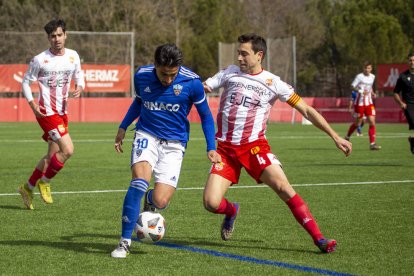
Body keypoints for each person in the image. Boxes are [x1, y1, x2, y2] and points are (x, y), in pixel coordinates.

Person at [202, 33, 352, 253]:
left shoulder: (274, 83)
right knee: (211, 203)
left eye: (244, 53)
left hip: (254, 147)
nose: (240, 58)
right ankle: (232, 210)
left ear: (259, 55)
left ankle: (319, 238)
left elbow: (307, 110)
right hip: (224, 150)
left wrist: (335, 136)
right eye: (238, 53)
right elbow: (201, 88)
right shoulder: (229, 73)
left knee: (283, 187)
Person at [111, 43, 221, 258]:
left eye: (173, 75)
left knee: (161, 201)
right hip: (147, 135)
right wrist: (123, 126)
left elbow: (206, 116)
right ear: (155, 66)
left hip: (175, 144)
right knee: (139, 181)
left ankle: (150, 200)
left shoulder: (192, 82)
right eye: (164, 74)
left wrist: (211, 147)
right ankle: (124, 242)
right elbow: (139, 102)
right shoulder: (141, 76)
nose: (168, 80)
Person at [18, 19, 84, 210]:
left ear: (65, 35)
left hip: (63, 112)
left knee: (51, 156)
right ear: (48, 38)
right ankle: (45, 182)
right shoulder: (40, 59)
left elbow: (79, 74)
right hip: (46, 112)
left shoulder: (73, 56)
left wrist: (80, 86)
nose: (56, 39)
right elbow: (25, 82)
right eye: (52, 36)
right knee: (68, 150)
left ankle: (27, 187)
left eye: (59, 35)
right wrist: (32, 105)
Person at [345, 61, 381, 150]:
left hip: (369, 102)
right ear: (363, 68)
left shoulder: (373, 76)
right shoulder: (359, 77)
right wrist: (361, 91)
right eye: (365, 68)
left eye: (369, 68)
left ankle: (372, 144)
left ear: (371, 69)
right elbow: (352, 86)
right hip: (359, 103)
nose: (367, 70)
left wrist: (372, 93)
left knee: (372, 121)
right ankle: (347, 136)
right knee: (358, 123)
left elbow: (370, 87)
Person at [393, 52, 414, 154]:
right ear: (407, 62)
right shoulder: (403, 77)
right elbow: (395, 93)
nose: (412, 62)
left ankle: (413, 140)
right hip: (408, 105)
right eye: (410, 60)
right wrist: (401, 103)